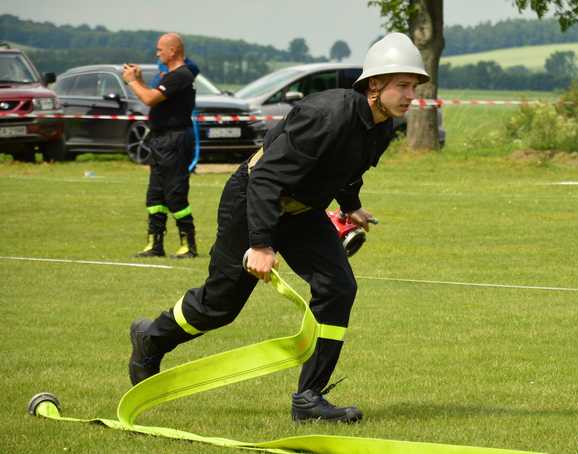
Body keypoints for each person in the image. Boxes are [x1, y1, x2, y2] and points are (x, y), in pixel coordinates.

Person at [128, 32, 429, 422]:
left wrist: (351, 207)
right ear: (375, 84)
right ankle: (151, 339)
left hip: (304, 213)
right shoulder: (326, 115)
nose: (410, 95)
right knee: (220, 306)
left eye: (414, 86)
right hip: (252, 199)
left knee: (338, 288)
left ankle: (309, 398)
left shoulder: (384, 126)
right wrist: (261, 244)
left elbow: (347, 169)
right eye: (402, 85)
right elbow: (266, 178)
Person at [122, 33, 198, 259]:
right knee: (155, 194)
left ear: (172, 51)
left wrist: (132, 81)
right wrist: (141, 80)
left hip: (174, 140)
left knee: (175, 193)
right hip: (160, 140)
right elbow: (152, 94)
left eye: (160, 50)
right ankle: (155, 244)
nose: (157, 54)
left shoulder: (181, 75)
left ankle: (188, 244)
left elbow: (149, 99)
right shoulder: (171, 75)